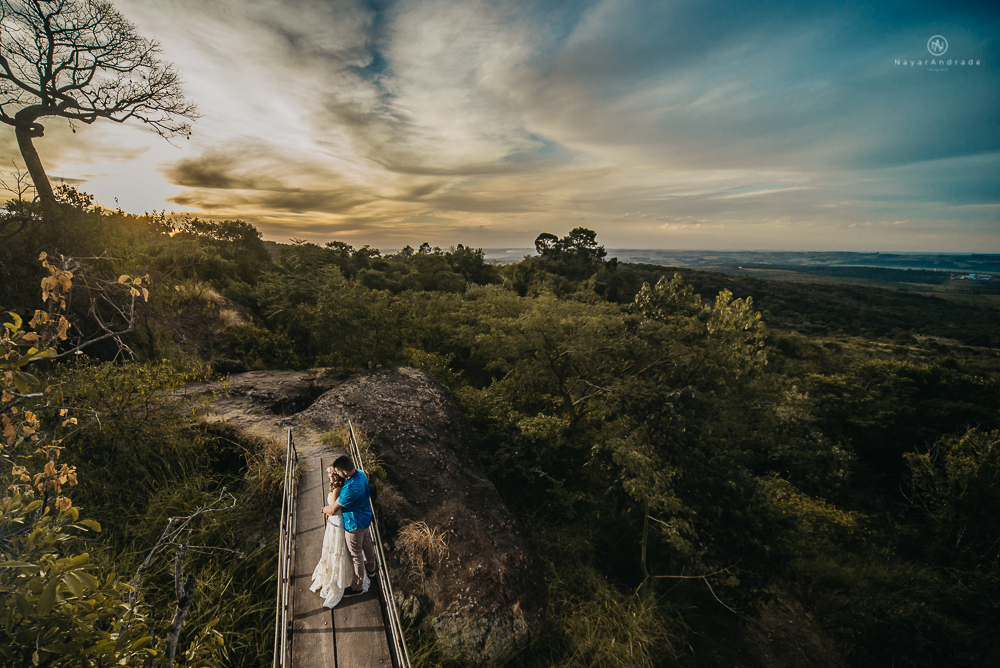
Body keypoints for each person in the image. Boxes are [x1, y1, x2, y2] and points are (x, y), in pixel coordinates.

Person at [310, 466, 365, 607]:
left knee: (338, 549)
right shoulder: (344, 485)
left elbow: (333, 510)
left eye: (333, 474)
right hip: (340, 521)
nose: (331, 476)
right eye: (330, 473)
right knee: (342, 549)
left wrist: (322, 510)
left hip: (337, 522)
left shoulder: (336, 490)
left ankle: (342, 580)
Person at [324, 455, 377, 598]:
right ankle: (372, 568)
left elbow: (334, 509)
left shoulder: (350, 489)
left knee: (356, 555)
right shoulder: (360, 473)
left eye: (338, 471)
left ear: (345, 472)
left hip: (354, 524)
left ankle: (357, 586)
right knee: (367, 544)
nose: (338, 474)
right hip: (365, 517)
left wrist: (322, 510)